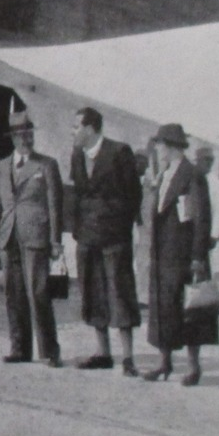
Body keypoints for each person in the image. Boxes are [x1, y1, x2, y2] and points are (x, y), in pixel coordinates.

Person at [0, 110, 64, 364]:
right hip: (8, 238)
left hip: (35, 236)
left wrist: (55, 241)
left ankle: (49, 352)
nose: (26, 140)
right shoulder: (1, 167)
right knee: (13, 293)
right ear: (13, 138)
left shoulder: (46, 165)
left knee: (38, 292)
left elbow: (55, 206)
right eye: (21, 135)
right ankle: (19, 348)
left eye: (29, 134)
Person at [70, 106, 143, 374]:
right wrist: (79, 231)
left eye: (76, 127)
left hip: (114, 238)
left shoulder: (119, 152)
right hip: (87, 238)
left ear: (90, 129)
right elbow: (78, 195)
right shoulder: (77, 155)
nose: (73, 131)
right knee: (93, 293)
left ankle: (128, 358)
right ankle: (103, 353)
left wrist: (119, 226)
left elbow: (133, 195)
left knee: (120, 294)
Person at [139, 124, 215, 384]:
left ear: (170, 146)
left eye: (159, 144)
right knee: (163, 307)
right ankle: (164, 363)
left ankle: (193, 367)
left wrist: (197, 257)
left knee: (191, 310)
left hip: (183, 255)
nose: (157, 149)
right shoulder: (165, 173)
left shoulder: (191, 175)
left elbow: (201, 219)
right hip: (163, 253)